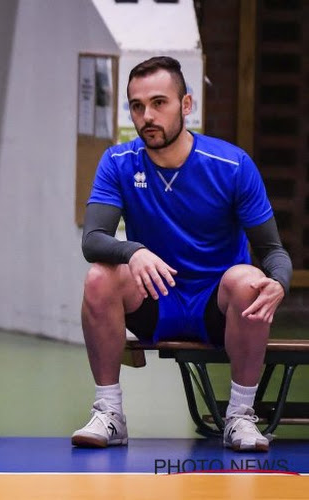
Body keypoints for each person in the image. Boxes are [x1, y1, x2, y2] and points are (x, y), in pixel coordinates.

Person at [71, 56, 292, 452]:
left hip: (216, 307)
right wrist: (133, 251)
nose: (147, 116)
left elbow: (272, 251)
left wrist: (279, 282)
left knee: (250, 281)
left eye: (159, 103)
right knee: (99, 277)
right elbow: (94, 240)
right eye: (137, 106)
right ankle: (109, 413)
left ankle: (240, 417)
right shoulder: (118, 162)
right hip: (157, 298)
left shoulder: (232, 165)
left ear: (186, 105)